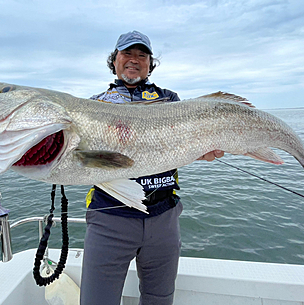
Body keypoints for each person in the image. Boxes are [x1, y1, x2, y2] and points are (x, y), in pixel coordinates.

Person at [80, 30, 224, 305]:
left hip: (163, 217)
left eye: (142, 55)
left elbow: (182, 146)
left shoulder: (170, 100)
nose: (134, 60)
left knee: (160, 299)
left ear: (150, 64)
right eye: (127, 54)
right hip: (109, 216)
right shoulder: (93, 106)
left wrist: (201, 152)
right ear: (114, 61)